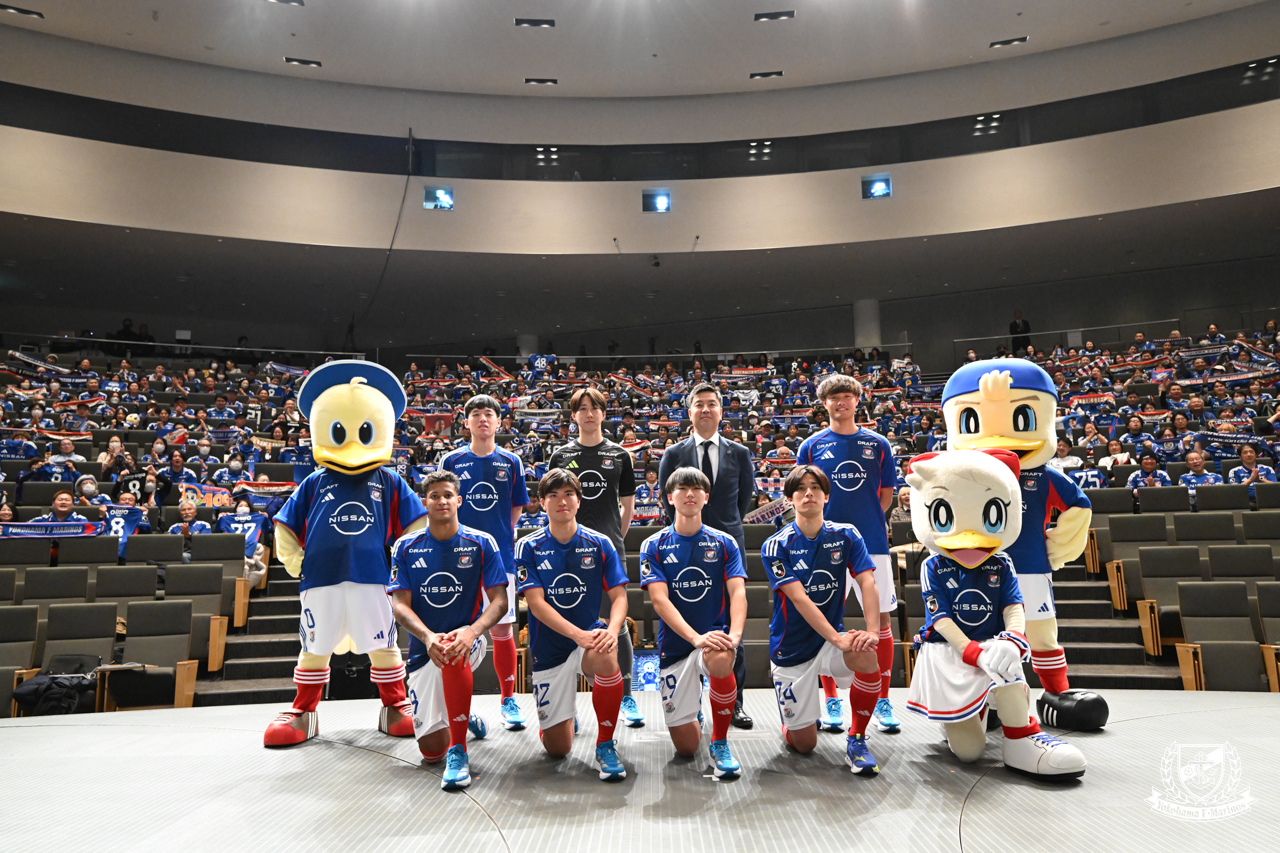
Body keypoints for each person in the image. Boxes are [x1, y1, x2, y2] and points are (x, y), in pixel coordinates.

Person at [389, 471, 508, 789]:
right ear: (424, 502)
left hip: (467, 639)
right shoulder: (405, 546)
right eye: (434, 496)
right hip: (424, 647)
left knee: (454, 649)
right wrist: (427, 637)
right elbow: (399, 605)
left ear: (459, 500)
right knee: (431, 753)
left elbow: (500, 601)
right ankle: (463, 713)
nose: (441, 501)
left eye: (447, 495)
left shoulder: (482, 542)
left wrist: (473, 632)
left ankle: (459, 752)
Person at [795, 374, 900, 734]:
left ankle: (883, 698)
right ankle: (831, 699)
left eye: (847, 396)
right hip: (824, 545)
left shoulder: (879, 444)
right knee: (826, 619)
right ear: (824, 404)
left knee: (882, 621)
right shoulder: (811, 446)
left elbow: (885, 497)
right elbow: (803, 494)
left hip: (872, 542)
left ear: (858, 400)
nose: (841, 402)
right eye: (834, 397)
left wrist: (863, 522)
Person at [762, 465, 883, 775]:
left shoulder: (846, 535)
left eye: (815, 487)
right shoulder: (775, 545)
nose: (809, 493)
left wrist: (872, 631)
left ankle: (857, 738)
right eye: (800, 489)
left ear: (826, 496)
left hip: (829, 641)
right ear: (789, 499)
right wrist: (837, 638)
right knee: (804, 745)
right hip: (791, 648)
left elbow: (867, 581)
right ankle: (793, 718)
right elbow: (799, 599)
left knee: (867, 653)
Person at [515, 469, 629, 781]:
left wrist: (611, 631)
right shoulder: (527, 546)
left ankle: (605, 744)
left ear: (579, 500)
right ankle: (563, 717)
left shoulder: (600, 543)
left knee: (606, 653)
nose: (561, 501)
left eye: (568, 494)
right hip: (549, 650)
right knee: (558, 749)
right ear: (542, 502)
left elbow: (619, 597)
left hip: (588, 641)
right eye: (553, 495)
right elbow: (536, 604)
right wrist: (578, 635)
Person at [657, 382, 758, 728]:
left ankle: (735, 702)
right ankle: (693, 701)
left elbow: (743, 501)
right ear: (689, 412)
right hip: (684, 548)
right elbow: (666, 500)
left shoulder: (739, 453)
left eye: (711, 404)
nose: (705, 409)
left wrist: (722, 530)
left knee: (731, 623)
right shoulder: (673, 454)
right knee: (690, 617)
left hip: (727, 544)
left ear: (721, 411)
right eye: (698, 404)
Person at [639, 467, 747, 778]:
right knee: (686, 748)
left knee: (722, 656)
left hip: (712, 639)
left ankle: (720, 742)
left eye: (697, 488)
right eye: (682, 489)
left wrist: (735, 636)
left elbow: (738, 592)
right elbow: (659, 600)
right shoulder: (653, 545)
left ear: (706, 497)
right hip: (676, 647)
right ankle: (693, 710)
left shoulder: (724, 542)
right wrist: (694, 638)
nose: (690, 494)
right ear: (669, 498)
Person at [546, 387, 644, 725]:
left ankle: (627, 696)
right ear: (573, 415)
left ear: (603, 413)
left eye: (595, 408)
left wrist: (612, 541)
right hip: (566, 552)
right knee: (567, 623)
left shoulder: (620, 455)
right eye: (582, 408)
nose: (589, 414)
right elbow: (551, 501)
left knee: (615, 623)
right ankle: (567, 705)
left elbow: (627, 505)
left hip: (607, 550)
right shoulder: (560, 456)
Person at [440, 395, 530, 731]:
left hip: (499, 557)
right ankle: (460, 707)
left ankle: (508, 700)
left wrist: (497, 538)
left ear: (498, 421)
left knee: (502, 630)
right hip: (457, 558)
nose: (482, 419)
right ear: (466, 422)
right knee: (456, 631)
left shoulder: (511, 461)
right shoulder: (451, 460)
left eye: (488, 414)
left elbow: (515, 509)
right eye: (475, 414)